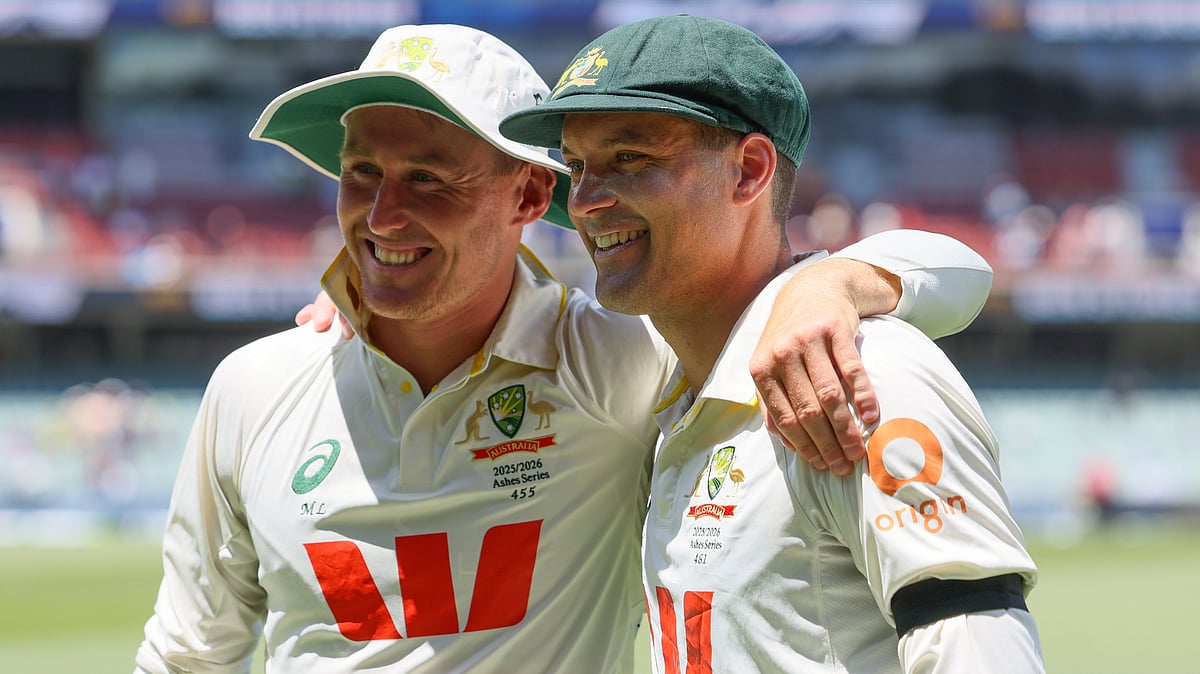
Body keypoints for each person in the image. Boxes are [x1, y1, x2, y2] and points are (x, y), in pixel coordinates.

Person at [134, 23, 993, 673]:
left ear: (527, 195)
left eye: (429, 177)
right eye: (361, 173)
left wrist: (834, 282)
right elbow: (184, 654)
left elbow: (962, 272)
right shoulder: (255, 387)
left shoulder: (626, 361)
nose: (382, 214)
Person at [500, 14, 1044, 673]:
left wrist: (834, 281)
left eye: (630, 160)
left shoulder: (860, 376)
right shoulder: (663, 379)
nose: (583, 201)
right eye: (577, 166)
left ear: (749, 171)